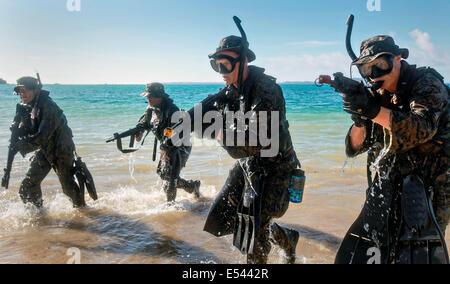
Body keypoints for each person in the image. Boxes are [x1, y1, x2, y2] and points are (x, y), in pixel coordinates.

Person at [166, 35, 302, 264]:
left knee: (254, 234)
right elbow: (197, 114)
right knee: (226, 218)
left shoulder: (267, 91)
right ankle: (286, 236)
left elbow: (250, 143)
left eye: (226, 64)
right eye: (216, 65)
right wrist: (174, 130)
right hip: (249, 164)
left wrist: (218, 129)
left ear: (244, 61)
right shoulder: (231, 90)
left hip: (276, 167)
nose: (221, 70)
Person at [334, 36, 449, 264]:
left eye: (381, 64)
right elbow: (354, 148)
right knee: (382, 252)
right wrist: (359, 117)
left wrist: (372, 110)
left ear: (398, 58)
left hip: (428, 189)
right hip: (388, 184)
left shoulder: (426, 83)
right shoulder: (377, 95)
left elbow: (420, 128)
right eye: (366, 68)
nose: (375, 74)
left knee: (417, 254)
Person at [9, 76, 94, 208]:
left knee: (68, 187)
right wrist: (17, 128)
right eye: (19, 91)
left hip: (61, 149)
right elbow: (28, 129)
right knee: (28, 185)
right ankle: (38, 214)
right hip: (44, 148)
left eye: (24, 90)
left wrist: (21, 146)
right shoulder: (28, 106)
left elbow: (42, 136)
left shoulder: (48, 107)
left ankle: (83, 212)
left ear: (36, 90)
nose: (22, 94)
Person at [136, 83, 201, 202]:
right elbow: (144, 122)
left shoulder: (172, 110)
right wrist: (139, 130)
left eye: (150, 96)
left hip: (180, 146)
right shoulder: (151, 109)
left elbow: (174, 132)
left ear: (159, 97)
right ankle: (192, 186)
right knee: (162, 174)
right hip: (166, 146)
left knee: (170, 180)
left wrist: (165, 149)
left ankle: (171, 208)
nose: (148, 98)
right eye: (147, 96)